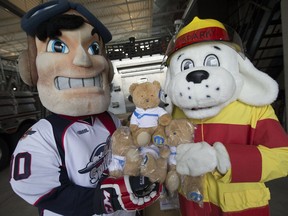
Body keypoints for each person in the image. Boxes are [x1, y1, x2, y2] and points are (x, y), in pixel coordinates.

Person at [9, 1, 161, 215]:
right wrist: (111, 198)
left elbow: (126, 157)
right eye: (59, 47)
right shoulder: (42, 135)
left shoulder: (110, 120)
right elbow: (39, 190)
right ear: (31, 68)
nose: (83, 59)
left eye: (94, 48)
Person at [163, 16, 288, 216]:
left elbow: (283, 157)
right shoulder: (176, 113)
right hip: (193, 207)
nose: (196, 73)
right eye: (186, 65)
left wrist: (222, 160)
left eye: (212, 61)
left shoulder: (255, 109)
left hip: (243, 210)